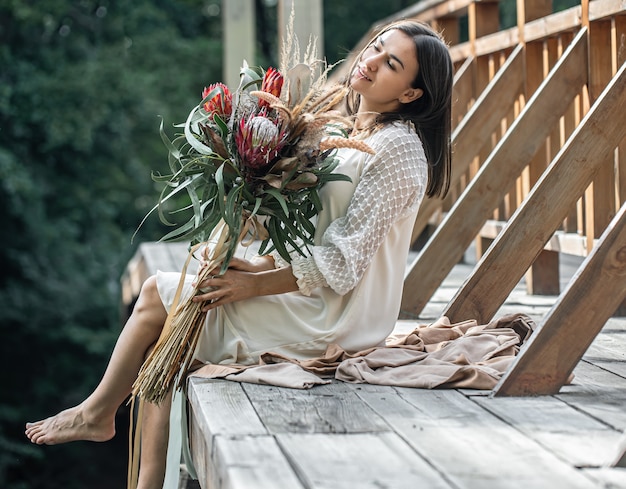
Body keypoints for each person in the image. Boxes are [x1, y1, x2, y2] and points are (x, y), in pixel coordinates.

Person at [25, 19, 453, 489]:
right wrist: (256, 261)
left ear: (412, 95)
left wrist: (252, 286)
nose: (370, 61)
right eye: (375, 47)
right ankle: (133, 463)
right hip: (311, 293)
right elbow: (314, 233)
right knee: (169, 325)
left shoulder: (399, 150)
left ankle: (97, 412)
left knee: (158, 295)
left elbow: (344, 260)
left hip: (339, 317)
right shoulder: (355, 132)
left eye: (391, 64)